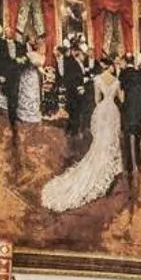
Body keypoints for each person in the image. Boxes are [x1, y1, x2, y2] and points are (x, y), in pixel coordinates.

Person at [40, 61, 123, 212]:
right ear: (110, 67)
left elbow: (97, 99)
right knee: (111, 136)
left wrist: (103, 103)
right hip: (113, 110)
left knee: (100, 139)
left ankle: (101, 158)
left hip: (103, 109)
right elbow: (121, 99)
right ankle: (110, 160)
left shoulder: (97, 80)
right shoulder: (117, 81)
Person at [117, 53, 141, 177]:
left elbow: (119, 92)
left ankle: (129, 165)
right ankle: (139, 159)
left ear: (125, 61)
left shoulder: (123, 74)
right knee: (137, 136)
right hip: (138, 110)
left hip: (126, 109)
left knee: (126, 136)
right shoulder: (140, 74)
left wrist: (122, 104)